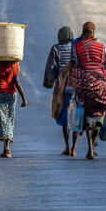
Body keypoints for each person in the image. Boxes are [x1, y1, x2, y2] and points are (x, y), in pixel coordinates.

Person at [68, 22, 106, 159]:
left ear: (83, 32)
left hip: (86, 85)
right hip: (101, 88)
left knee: (87, 116)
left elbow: (76, 67)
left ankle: (89, 149)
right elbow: (104, 68)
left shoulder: (77, 46)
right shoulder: (102, 46)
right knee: (99, 114)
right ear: (93, 33)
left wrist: (77, 85)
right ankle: (93, 145)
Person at [43, 26, 74, 155]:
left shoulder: (56, 48)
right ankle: (76, 147)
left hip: (62, 88)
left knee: (63, 116)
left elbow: (51, 67)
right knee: (77, 115)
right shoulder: (75, 47)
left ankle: (67, 147)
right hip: (76, 86)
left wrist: (49, 82)